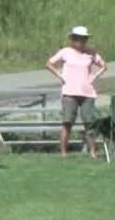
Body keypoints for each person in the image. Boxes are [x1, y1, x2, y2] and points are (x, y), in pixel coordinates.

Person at [46, 25, 109, 158]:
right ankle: (63, 153)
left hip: (87, 93)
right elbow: (49, 64)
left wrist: (94, 76)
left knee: (90, 124)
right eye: (78, 39)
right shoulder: (65, 51)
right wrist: (60, 75)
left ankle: (93, 152)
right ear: (73, 39)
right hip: (69, 92)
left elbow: (104, 66)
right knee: (67, 122)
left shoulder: (91, 53)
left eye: (83, 39)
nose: (80, 42)